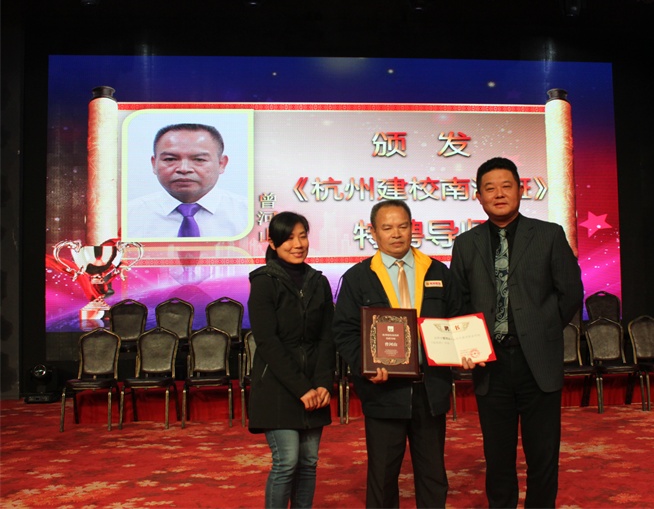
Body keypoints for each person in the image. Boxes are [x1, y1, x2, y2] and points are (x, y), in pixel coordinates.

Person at [450, 157, 584, 508]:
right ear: (478, 196)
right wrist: (466, 344)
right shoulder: (465, 244)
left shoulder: (549, 235)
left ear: (521, 190)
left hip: (536, 360)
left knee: (542, 454)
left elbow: (570, 291)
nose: (499, 194)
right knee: (497, 456)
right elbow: (459, 301)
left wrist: (542, 329)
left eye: (506, 186)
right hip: (490, 363)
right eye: (489, 188)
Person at [332, 200, 461, 508]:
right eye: (387, 228)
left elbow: (457, 319)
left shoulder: (437, 271)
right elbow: (344, 331)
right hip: (383, 391)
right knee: (383, 476)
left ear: (412, 228)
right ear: (373, 232)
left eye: (403, 226)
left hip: (430, 390)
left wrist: (464, 349)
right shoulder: (358, 277)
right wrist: (366, 367)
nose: (396, 234)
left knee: (433, 474)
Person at [247, 211, 335, 509]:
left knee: (308, 462)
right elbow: (267, 342)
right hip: (278, 386)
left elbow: (326, 338)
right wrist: (302, 388)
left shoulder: (318, 282)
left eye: (302, 236)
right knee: (286, 461)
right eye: (288, 238)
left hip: (314, 386)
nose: (298, 244)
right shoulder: (264, 282)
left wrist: (322, 384)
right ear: (272, 243)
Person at [126, 123, 249, 239]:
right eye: (170, 159)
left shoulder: (248, 214)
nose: (184, 169)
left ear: (221, 164)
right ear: (154, 164)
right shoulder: (128, 217)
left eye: (199, 160)